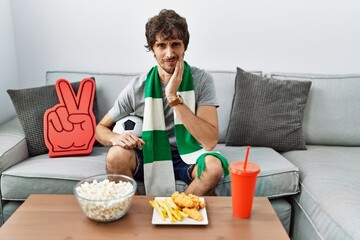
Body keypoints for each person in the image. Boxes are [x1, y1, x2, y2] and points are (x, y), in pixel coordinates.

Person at [95, 9, 228, 196]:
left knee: (213, 167)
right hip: (150, 152)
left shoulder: (202, 80)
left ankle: (174, 210)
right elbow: (100, 128)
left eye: (175, 44)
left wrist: (174, 99)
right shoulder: (138, 87)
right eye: (161, 45)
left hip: (188, 155)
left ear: (185, 47)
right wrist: (115, 138)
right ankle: (139, 216)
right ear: (152, 49)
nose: (169, 53)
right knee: (115, 155)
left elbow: (210, 141)